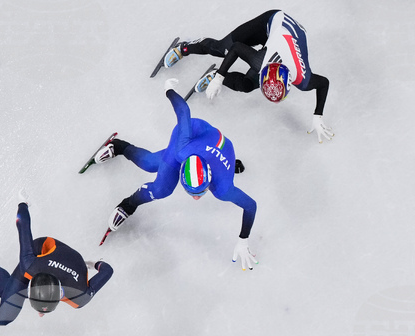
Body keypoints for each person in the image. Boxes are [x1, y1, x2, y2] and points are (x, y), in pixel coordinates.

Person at [92, 80, 259, 270]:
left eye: (201, 191)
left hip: (216, 143)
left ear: (210, 178)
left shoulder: (223, 188)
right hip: (193, 133)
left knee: (161, 166)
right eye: (191, 192)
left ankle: (122, 150)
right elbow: (183, 112)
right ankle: (120, 153)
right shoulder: (182, 150)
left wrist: (243, 239)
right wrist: (168, 89)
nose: (196, 198)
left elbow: (251, 206)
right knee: (157, 179)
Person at [0, 198, 112, 336]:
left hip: (67, 264)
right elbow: (23, 225)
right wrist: (23, 203)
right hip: (41, 251)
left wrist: (94, 264)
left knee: (8, 297)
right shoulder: (30, 263)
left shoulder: (81, 297)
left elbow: (108, 271)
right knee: (6, 314)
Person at [162, 10, 334, 143]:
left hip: (289, 38)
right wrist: (220, 77)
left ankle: (211, 75)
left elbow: (324, 83)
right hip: (271, 22)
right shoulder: (261, 60)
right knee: (221, 49)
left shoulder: (303, 79)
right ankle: (183, 48)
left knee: (246, 85)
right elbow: (236, 47)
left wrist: (318, 115)